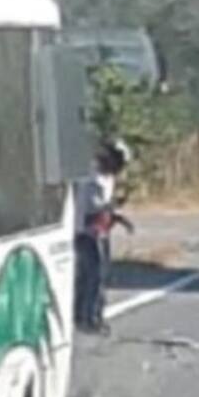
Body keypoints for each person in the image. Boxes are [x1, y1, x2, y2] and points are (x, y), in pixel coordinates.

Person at [74, 140, 134, 335]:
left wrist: (116, 214)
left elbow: (105, 206)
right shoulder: (92, 177)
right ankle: (88, 317)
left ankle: (90, 314)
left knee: (98, 274)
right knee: (94, 275)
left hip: (101, 231)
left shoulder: (108, 178)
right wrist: (110, 210)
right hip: (87, 232)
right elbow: (91, 208)